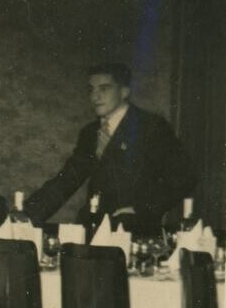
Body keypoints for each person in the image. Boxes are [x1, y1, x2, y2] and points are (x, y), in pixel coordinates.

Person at [28, 62, 196, 231]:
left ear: (124, 92)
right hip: (93, 228)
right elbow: (66, 180)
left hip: (135, 229)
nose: (95, 96)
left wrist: (141, 208)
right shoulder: (90, 132)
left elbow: (185, 177)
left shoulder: (151, 127)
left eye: (104, 89)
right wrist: (26, 216)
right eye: (91, 89)